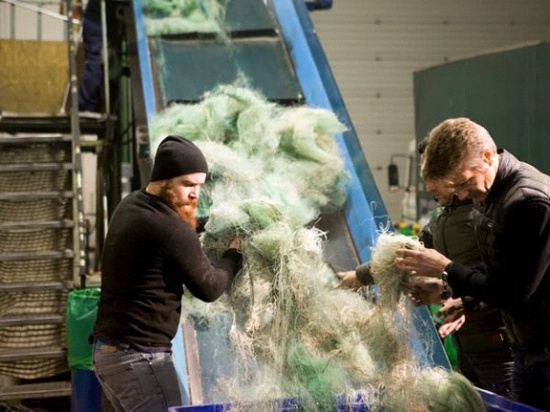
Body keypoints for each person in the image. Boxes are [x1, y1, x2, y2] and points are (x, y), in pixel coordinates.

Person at [395, 117, 550, 411]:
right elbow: (500, 272)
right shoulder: (490, 194)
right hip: (525, 348)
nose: (463, 196)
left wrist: (445, 267)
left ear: (488, 157)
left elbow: (513, 294)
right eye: (455, 189)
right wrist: (466, 300)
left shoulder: (527, 203)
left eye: (464, 183)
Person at [91, 135, 243, 411]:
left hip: (109, 354)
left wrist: (210, 225)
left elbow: (175, 232)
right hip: (140, 359)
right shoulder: (171, 228)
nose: (195, 193)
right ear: (164, 179)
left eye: (199, 186)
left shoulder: (132, 205)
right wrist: (234, 256)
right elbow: (209, 287)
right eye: (187, 185)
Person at [78, 0, 119, 112]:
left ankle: (89, 104)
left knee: (95, 62)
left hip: (96, 20)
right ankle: (87, 105)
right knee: (95, 62)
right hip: (99, 22)